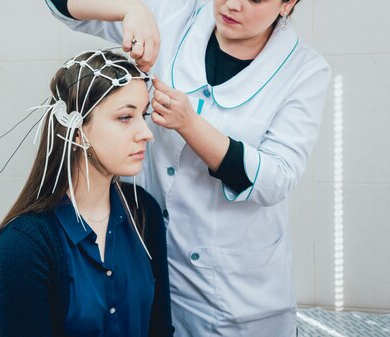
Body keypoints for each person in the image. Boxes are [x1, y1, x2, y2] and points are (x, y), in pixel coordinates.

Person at [44, 0, 331, 336]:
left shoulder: (304, 71)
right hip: (152, 272)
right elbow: (60, 5)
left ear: (287, 4)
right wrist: (131, 9)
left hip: (241, 297)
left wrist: (189, 125)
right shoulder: (173, 14)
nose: (233, 4)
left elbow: (275, 178)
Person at [0, 50, 175, 337]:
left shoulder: (143, 211)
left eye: (143, 115)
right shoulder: (24, 244)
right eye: (125, 117)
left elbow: (160, 329)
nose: (146, 133)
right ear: (76, 132)